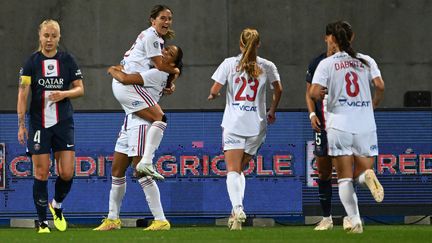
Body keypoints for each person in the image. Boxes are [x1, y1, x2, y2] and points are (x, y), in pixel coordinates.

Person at [92, 38, 183, 232]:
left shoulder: (157, 72)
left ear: (173, 64)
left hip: (141, 123)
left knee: (141, 172)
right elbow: (127, 67)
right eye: (165, 49)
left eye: (170, 54)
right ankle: (113, 219)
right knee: (117, 170)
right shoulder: (154, 67)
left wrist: (111, 69)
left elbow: (124, 78)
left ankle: (160, 219)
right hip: (130, 119)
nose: (165, 53)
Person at [310, 20, 385, 233]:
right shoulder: (366, 60)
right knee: (361, 172)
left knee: (343, 178)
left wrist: (323, 92)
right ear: (351, 38)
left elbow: (314, 92)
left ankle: (356, 221)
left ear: (332, 39)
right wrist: (373, 103)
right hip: (365, 123)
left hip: (339, 124)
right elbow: (380, 85)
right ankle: (367, 177)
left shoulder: (327, 63)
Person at [208, 28, 282, 230]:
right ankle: (235, 215)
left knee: (232, 170)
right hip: (257, 125)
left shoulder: (229, 64)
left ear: (240, 44)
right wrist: (272, 110)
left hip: (234, 123)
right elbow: (279, 89)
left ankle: (238, 207)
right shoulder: (267, 66)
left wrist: (213, 95)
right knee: (240, 169)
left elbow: (215, 89)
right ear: (258, 44)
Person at [17, 19, 84, 233]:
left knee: (66, 173)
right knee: (41, 172)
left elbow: (80, 89)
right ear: (40, 36)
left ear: (59, 37)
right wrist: (21, 124)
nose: (49, 40)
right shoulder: (31, 63)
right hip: (39, 125)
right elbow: (23, 94)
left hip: (63, 123)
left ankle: (57, 205)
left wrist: (63, 94)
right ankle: (42, 222)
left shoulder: (68, 60)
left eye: (53, 35)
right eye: (46, 35)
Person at [305, 23, 336, 231]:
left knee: (346, 171)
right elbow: (309, 93)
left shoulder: (348, 63)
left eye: (338, 40)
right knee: (323, 172)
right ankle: (327, 217)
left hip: (342, 124)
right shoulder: (317, 62)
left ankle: (353, 215)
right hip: (322, 124)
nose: (334, 44)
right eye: (332, 39)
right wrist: (312, 113)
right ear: (326, 38)